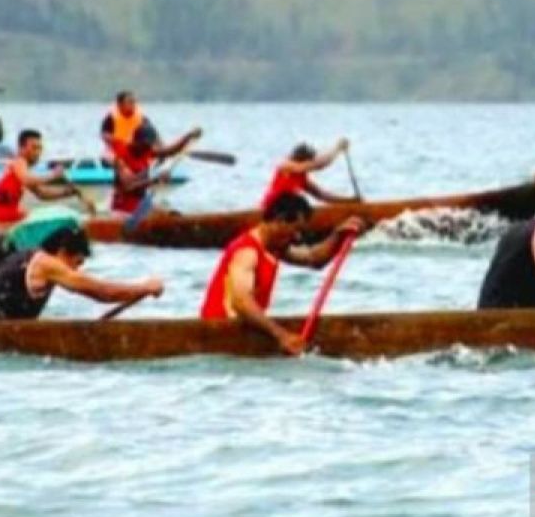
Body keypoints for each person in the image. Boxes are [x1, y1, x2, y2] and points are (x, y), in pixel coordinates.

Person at [200, 192, 365, 355]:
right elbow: (241, 302)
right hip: (219, 333)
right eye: (295, 230)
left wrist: (338, 235)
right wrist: (281, 335)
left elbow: (314, 258)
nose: (297, 237)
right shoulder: (247, 252)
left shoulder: (275, 247)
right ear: (279, 220)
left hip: (245, 331)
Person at [0, 226, 164, 320]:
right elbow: (101, 292)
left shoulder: (33, 257)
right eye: (77, 262)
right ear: (62, 252)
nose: (77, 270)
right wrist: (144, 287)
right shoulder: (45, 263)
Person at [0, 129, 95, 228]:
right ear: (21, 148)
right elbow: (27, 180)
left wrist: (69, 192)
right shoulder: (19, 162)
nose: (38, 153)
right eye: (34, 148)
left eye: (40, 148)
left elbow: (42, 194)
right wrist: (53, 176)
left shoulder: (23, 170)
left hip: (7, 215)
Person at [111, 124, 203, 214]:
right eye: (146, 145)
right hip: (123, 207)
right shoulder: (121, 157)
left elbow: (170, 151)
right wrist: (156, 179)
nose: (148, 148)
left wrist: (188, 136)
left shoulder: (145, 150)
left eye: (150, 145)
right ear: (136, 141)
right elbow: (128, 186)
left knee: (172, 215)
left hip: (139, 203)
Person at [260, 138, 358, 212]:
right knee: (299, 201)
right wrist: (337, 148)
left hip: (286, 210)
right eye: (308, 161)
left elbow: (323, 196)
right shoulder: (286, 165)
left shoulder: (302, 177)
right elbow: (319, 165)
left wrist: (349, 201)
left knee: (300, 204)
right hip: (271, 208)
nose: (309, 165)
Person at [100, 91, 148, 158]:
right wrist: (121, 142)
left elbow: (153, 136)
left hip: (135, 152)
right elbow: (104, 135)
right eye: (130, 102)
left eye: (134, 102)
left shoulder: (142, 119)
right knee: (109, 155)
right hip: (115, 152)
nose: (133, 105)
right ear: (120, 105)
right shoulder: (111, 118)